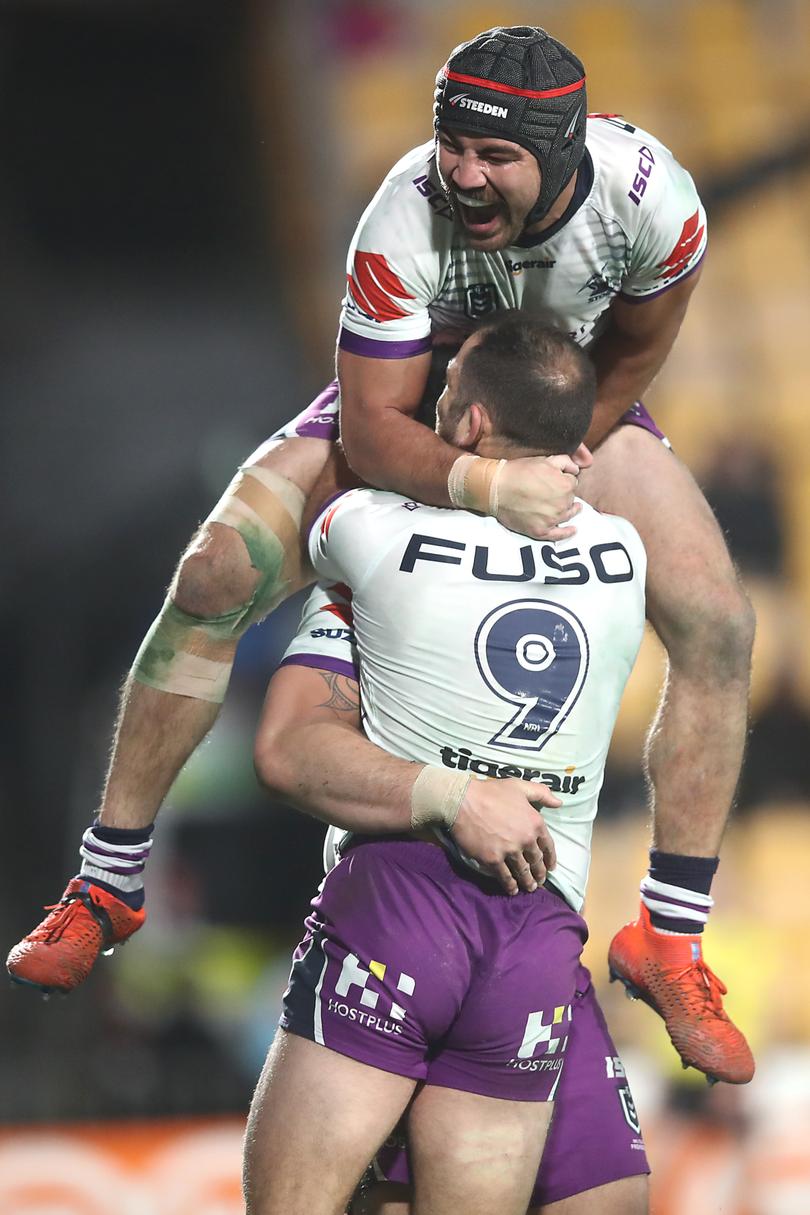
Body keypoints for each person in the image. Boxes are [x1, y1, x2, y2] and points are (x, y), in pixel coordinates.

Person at [8, 26, 755, 1084]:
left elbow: (634, 348)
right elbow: (368, 430)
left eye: (495, 157)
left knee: (719, 624)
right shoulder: (404, 212)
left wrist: (556, 454)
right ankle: (110, 878)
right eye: (451, 143)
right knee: (213, 575)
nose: (462, 172)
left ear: (563, 150)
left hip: (558, 416)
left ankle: (668, 938)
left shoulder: (656, 204)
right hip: (419, 406)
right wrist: (489, 487)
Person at [246, 314, 652, 1215]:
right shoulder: (625, 554)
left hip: (404, 888)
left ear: (467, 427)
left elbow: (345, 464)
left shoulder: (367, 529)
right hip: (539, 917)